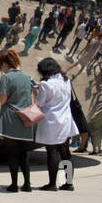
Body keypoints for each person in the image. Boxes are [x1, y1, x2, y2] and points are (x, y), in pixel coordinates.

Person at [0, 49, 36, 191]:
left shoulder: (6, 78)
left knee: (12, 152)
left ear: (5, 63)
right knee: (24, 153)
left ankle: (14, 184)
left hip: (11, 117)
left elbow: (2, 99)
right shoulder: (26, 77)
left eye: (1, 66)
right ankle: (27, 183)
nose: (2, 70)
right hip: (25, 118)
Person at [33, 57, 75, 191]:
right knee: (65, 152)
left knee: (52, 152)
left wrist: (35, 91)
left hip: (51, 120)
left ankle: (52, 183)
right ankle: (68, 182)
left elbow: (40, 103)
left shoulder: (47, 84)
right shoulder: (66, 81)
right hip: (66, 119)